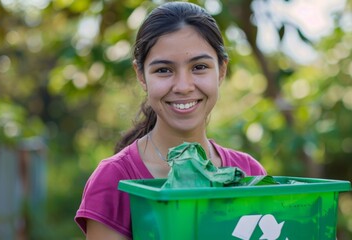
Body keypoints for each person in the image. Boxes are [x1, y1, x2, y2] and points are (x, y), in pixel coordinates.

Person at [75, 1, 266, 239]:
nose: (183, 87)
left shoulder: (249, 173)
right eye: (164, 70)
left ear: (222, 70)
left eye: (199, 67)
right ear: (141, 76)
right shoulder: (114, 180)